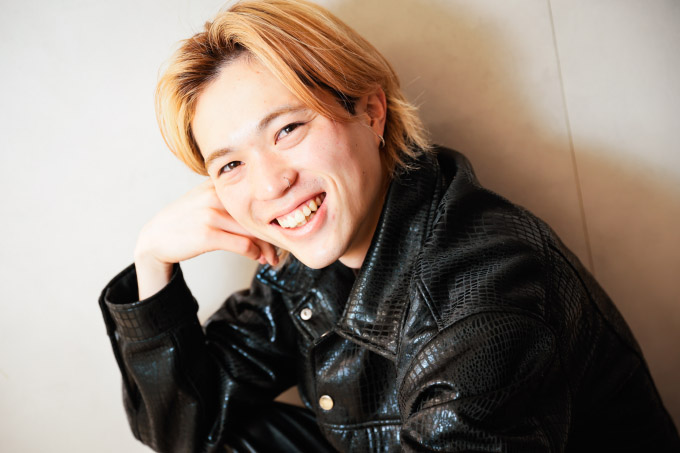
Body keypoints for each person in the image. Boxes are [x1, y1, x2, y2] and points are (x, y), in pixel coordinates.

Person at [99, 0, 680, 451]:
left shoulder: (484, 302)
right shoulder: (307, 259)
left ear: (370, 111)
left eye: (287, 130)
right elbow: (185, 428)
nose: (270, 186)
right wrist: (153, 262)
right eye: (231, 165)